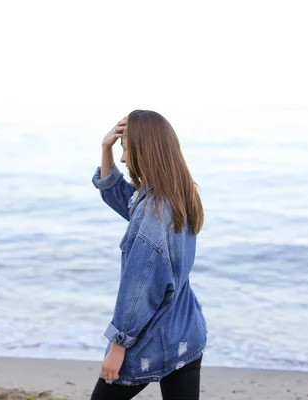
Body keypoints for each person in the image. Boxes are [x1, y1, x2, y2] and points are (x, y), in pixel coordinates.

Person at [90, 110, 207, 400]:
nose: (123, 159)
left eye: (126, 149)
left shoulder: (153, 212)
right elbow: (119, 197)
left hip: (150, 340)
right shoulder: (177, 194)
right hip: (186, 330)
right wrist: (106, 147)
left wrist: (118, 346)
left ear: (145, 151)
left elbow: (139, 289)